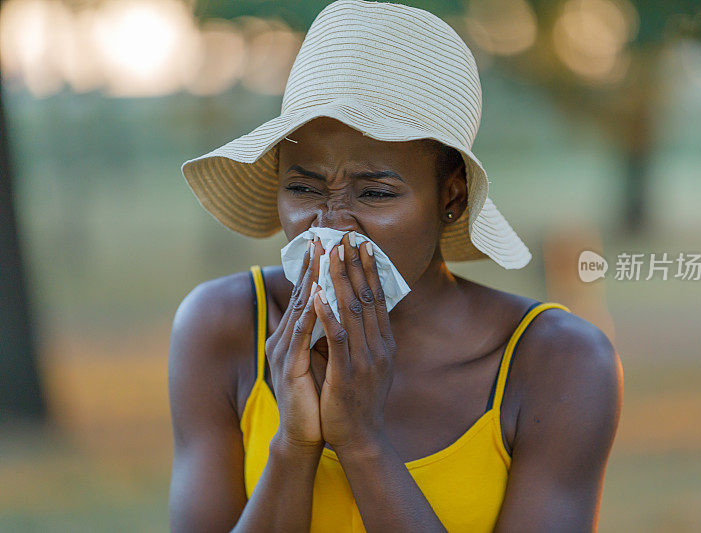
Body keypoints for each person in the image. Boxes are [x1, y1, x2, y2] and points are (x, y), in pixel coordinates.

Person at [169, 1, 622, 531]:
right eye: (303, 188)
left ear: (450, 195)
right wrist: (293, 445)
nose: (333, 224)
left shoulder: (556, 363)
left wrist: (362, 441)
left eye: (376, 192)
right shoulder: (224, 327)